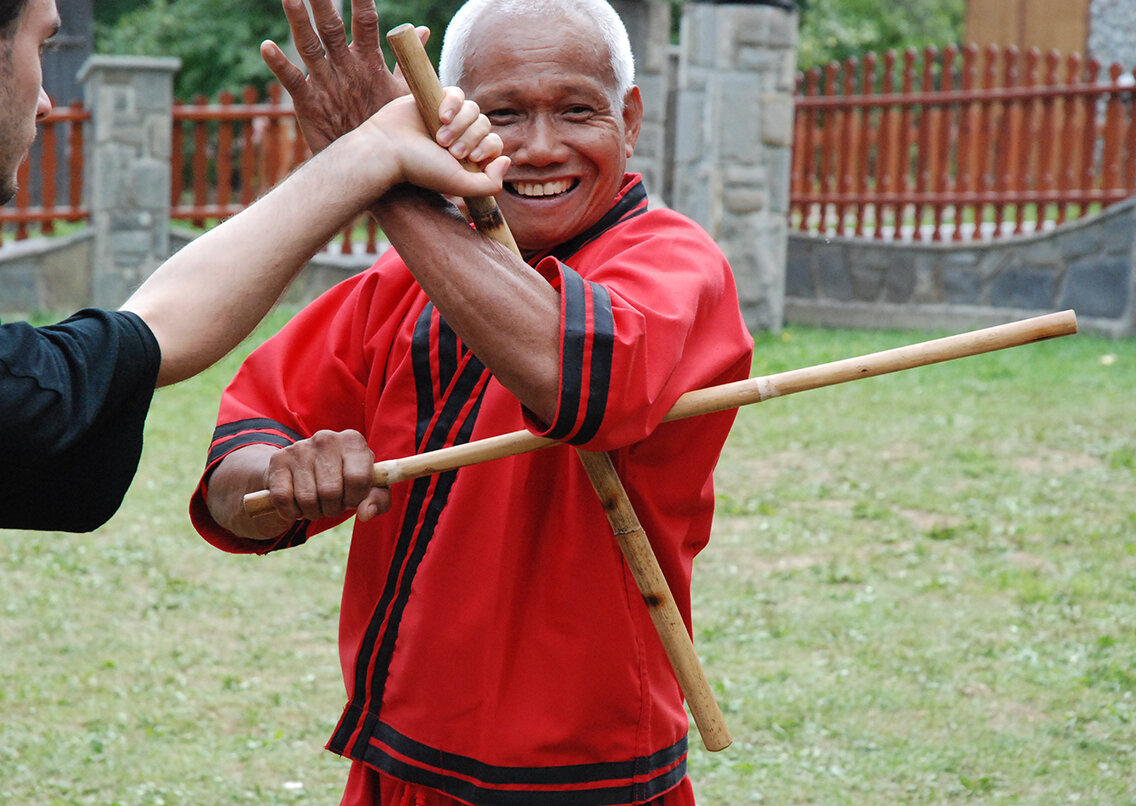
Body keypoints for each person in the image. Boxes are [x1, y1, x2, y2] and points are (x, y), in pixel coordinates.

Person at [192, 0, 753, 803]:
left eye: (577, 110)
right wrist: (280, 479)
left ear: (628, 117)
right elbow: (233, 472)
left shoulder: (674, 264)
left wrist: (382, 179)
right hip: (397, 759)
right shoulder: (397, 285)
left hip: (583, 773)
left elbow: (576, 380)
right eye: (503, 114)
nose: (541, 146)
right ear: (440, 119)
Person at [0, 0, 507, 531]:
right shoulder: (390, 300)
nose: (46, 102)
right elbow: (159, 360)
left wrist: (374, 155)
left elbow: (142, 338)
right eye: (43, 45)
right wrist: (377, 159)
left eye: (577, 110)